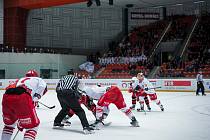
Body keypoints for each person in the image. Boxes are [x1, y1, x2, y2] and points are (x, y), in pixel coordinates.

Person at [1, 70, 47, 140]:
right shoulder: (39, 79)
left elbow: (11, 90)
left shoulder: (20, 79)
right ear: (36, 75)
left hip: (6, 97)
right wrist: (35, 99)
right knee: (32, 127)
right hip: (22, 97)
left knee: (9, 125)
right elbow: (43, 87)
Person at [53, 70, 94, 134]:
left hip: (59, 94)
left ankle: (57, 122)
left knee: (65, 109)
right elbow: (78, 90)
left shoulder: (62, 78)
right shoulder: (76, 79)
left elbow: (57, 88)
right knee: (80, 111)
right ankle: (86, 127)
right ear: (74, 74)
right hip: (68, 94)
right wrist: (77, 97)